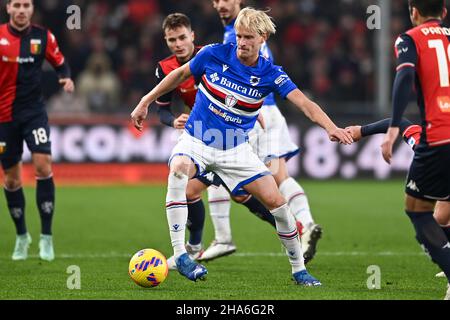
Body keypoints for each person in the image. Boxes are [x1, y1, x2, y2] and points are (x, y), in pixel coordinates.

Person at [131, 8, 352, 284]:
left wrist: (331, 128)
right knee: (178, 170)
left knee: (278, 204)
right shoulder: (214, 53)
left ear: (263, 38)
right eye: (238, 36)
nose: (242, 43)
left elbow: (304, 103)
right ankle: (182, 254)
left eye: (248, 37)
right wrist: (145, 101)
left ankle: (299, 270)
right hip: (198, 138)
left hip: (235, 149)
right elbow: (179, 75)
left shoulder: (271, 73)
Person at [155, 13, 279, 269]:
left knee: (241, 193)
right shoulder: (164, 68)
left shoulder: (215, 55)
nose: (177, 44)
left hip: (231, 134)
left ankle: (288, 228)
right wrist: (172, 120)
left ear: (192, 36)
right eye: (171, 40)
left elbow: (239, 88)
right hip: (200, 135)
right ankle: (196, 246)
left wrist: (253, 116)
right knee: (215, 193)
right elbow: (162, 110)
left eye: (181, 38)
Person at [209, 0, 322, 264]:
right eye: (216, 0)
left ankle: (223, 238)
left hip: (254, 113)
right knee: (280, 176)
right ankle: (306, 224)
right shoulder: (253, 28)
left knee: (214, 168)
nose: (220, 5)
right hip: (269, 112)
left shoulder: (235, 35)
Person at [379, 0, 450, 300]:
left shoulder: (409, 38)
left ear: (413, 12)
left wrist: (394, 126)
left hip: (439, 137)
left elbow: (405, 76)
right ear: (444, 12)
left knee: (418, 210)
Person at [0, 0, 74, 261]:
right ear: (8, 8)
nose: (21, 10)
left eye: (26, 5)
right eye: (16, 5)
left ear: (32, 9)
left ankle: (46, 237)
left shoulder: (44, 36)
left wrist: (65, 76)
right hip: (4, 117)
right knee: (11, 179)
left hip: (33, 113)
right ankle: (22, 237)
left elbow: (60, 63)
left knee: (43, 166)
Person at [346, 119, 450, 279]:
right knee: (439, 220)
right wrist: (362, 130)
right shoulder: (424, 143)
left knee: (427, 221)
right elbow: (401, 123)